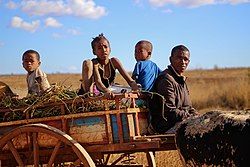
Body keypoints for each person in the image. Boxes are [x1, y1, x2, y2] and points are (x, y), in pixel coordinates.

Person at [148, 45, 199, 134]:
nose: (183, 62)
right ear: (171, 59)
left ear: (189, 62)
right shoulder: (166, 79)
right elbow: (170, 111)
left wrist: (198, 116)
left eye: (185, 59)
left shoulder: (181, 79)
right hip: (166, 126)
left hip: (180, 121)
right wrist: (191, 116)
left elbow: (188, 107)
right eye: (179, 58)